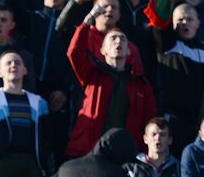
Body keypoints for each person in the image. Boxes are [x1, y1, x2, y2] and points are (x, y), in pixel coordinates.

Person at [66, 13, 157, 157]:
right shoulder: (91, 73)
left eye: (122, 39)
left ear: (128, 51)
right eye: (112, 38)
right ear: (103, 51)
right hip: (88, 152)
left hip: (125, 155)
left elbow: (149, 121)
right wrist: (86, 23)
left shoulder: (141, 85)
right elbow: (74, 53)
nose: (118, 41)